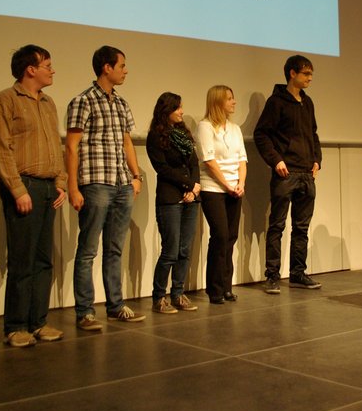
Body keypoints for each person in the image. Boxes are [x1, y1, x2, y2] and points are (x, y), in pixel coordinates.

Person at [0, 45, 68, 347]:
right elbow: (2, 148)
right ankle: (16, 326)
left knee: (43, 259)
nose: (52, 70)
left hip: (48, 187)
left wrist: (61, 181)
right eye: (48, 65)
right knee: (22, 259)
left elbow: (55, 145)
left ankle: (39, 322)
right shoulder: (4, 100)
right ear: (30, 69)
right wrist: (17, 189)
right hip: (24, 185)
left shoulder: (48, 103)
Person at [65, 45, 146, 326]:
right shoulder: (83, 101)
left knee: (115, 249)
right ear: (106, 68)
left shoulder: (121, 103)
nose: (126, 71)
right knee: (88, 249)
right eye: (121, 66)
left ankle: (115, 305)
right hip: (96, 182)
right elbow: (71, 147)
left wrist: (136, 176)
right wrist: (73, 187)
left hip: (122, 182)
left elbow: (127, 142)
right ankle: (85, 311)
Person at [255, 55, 323, 294]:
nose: (310, 78)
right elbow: (261, 135)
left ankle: (297, 273)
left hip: (306, 173)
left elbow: (313, 133)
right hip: (286, 174)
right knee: (277, 225)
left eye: (311, 74)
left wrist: (317, 159)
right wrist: (276, 161)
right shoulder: (276, 102)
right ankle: (272, 276)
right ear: (292, 73)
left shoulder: (308, 102)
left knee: (301, 228)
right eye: (306, 74)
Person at [146, 92, 201, 313]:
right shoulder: (155, 136)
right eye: (177, 108)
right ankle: (159, 297)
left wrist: (194, 188)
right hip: (170, 198)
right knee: (170, 250)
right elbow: (163, 169)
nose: (181, 111)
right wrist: (188, 185)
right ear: (166, 110)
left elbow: (194, 163)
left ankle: (178, 293)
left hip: (191, 197)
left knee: (184, 250)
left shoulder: (183, 133)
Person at [195, 85, 247, 304]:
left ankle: (226, 286)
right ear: (217, 102)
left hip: (234, 188)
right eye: (229, 99)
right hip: (213, 188)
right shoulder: (205, 127)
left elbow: (242, 159)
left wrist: (240, 183)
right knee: (220, 235)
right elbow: (209, 161)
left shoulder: (235, 129)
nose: (234, 102)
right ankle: (214, 289)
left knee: (231, 237)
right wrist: (226, 185)